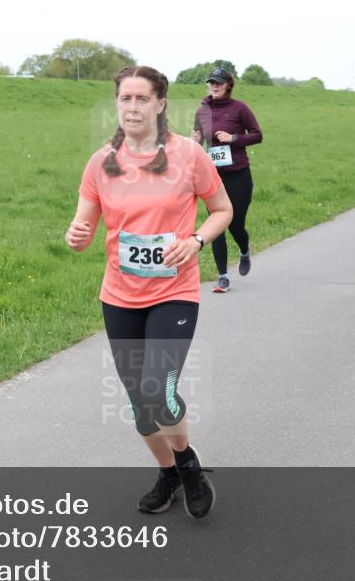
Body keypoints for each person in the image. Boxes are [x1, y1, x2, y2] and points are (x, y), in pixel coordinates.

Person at [66, 66, 232, 519]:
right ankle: (169, 473)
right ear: (116, 104)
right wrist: (77, 235)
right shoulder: (101, 163)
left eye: (142, 99)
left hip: (174, 291)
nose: (133, 107)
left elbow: (222, 209)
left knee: (159, 388)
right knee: (139, 403)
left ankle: (187, 462)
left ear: (161, 104)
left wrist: (196, 241)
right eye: (125, 99)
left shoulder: (189, 155)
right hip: (119, 295)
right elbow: (84, 222)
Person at [191, 67, 263, 293]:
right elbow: (198, 140)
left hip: (239, 174)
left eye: (219, 82)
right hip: (213, 176)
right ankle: (222, 277)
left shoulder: (239, 108)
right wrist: (194, 140)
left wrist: (234, 138)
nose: (214, 86)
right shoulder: (202, 111)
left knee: (235, 224)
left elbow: (257, 135)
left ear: (228, 85)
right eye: (211, 82)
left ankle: (243, 250)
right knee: (217, 225)